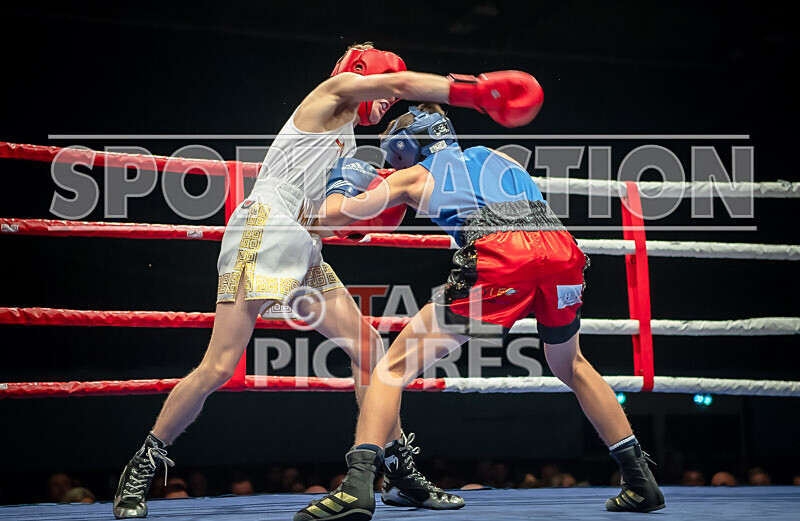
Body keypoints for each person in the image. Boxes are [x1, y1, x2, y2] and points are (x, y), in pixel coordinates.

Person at [113, 43, 542, 519]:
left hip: (302, 241)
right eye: (383, 91)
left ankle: (398, 473)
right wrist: (471, 91)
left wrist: (360, 211)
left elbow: (328, 216)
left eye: (390, 103)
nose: (387, 105)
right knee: (218, 366)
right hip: (264, 228)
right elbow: (399, 85)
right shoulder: (331, 95)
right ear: (365, 73)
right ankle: (140, 470)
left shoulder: (349, 140)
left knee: (369, 349)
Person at [296, 103, 664, 520]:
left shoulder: (413, 176)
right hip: (561, 251)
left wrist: (341, 183)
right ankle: (640, 481)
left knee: (390, 369)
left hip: (503, 258)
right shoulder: (498, 155)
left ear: (404, 145)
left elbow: (332, 218)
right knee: (572, 364)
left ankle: (357, 487)